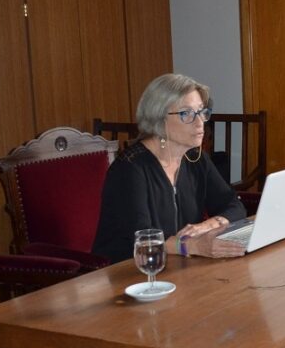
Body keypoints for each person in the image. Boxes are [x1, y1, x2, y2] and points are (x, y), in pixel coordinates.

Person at [91, 73, 248, 263]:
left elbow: (234, 205)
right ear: (159, 118)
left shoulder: (195, 158)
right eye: (186, 114)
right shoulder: (130, 168)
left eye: (201, 112)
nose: (200, 123)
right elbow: (143, 239)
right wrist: (193, 246)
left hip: (178, 264)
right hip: (128, 271)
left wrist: (209, 225)